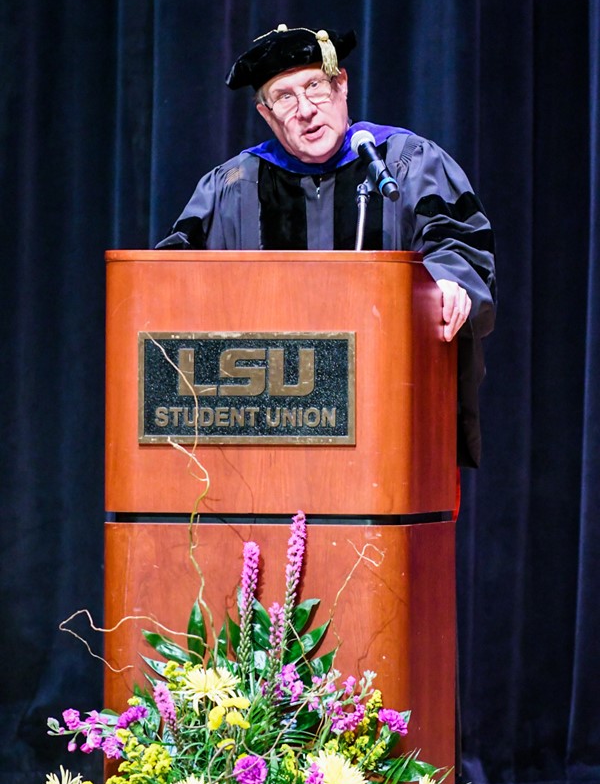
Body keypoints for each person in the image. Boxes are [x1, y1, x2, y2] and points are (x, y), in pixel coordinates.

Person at [156, 24, 496, 467]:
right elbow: (166, 281)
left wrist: (450, 285)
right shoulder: (233, 187)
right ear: (265, 113)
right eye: (284, 97)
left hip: (393, 430)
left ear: (342, 86)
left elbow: (459, 242)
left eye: (315, 86)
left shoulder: (408, 163)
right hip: (260, 441)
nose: (304, 110)